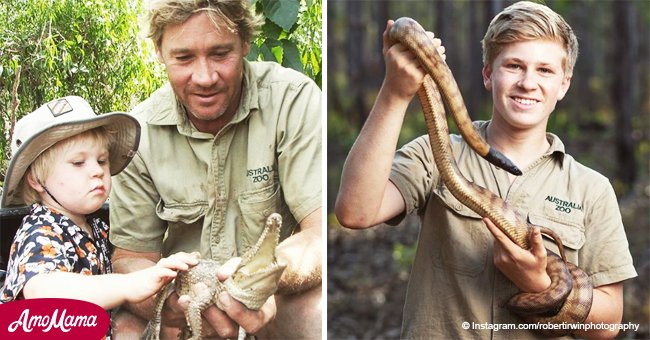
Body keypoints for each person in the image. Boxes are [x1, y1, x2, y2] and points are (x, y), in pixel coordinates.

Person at [335, 1, 637, 338]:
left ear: (563, 85)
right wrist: (394, 93)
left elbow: (610, 324)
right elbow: (355, 213)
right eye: (513, 65)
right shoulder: (435, 152)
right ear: (488, 75)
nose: (527, 82)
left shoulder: (591, 189)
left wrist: (539, 284)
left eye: (545, 70)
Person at [108, 0, 322, 338]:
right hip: (183, 296)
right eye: (184, 57)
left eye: (221, 54)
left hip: (273, 296)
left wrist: (261, 278)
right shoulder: (138, 133)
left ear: (246, 43)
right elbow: (132, 257)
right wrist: (171, 304)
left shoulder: (292, 100)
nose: (205, 77)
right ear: (159, 50)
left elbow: (319, 234)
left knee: (318, 312)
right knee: (125, 327)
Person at [0, 96, 200, 336]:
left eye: (101, 161)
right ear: (36, 179)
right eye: (78, 163)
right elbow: (43, 290)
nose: (96, 171)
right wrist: (131, 284)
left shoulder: (96, 226)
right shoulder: (40, 230)